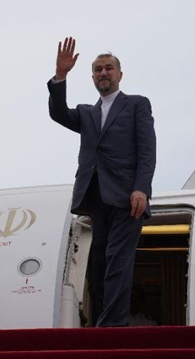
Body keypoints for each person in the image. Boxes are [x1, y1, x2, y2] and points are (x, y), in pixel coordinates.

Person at [47, 36, 156, 327]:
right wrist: (60, 76)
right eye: (97, 69)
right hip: (96, 195)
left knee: (118, 259)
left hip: (127, 196)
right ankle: (104, 322)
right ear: (93, 76)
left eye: (109, 68)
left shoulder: (137, 104)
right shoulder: (86, 113)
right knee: (100, 261)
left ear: (120, 74)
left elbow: (147, 150)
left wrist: (141, 188)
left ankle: (113, 325)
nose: (103, 73)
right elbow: (58, 113)